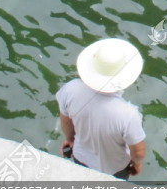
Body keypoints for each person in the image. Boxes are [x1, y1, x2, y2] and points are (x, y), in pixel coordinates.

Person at [56, 38, 146, 180]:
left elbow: (65, 120)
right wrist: (137, 163)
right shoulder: (129, 115)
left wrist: (70, 140)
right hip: (115, 168)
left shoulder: (70, 89)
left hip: (81, 158)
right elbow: (138, 152)